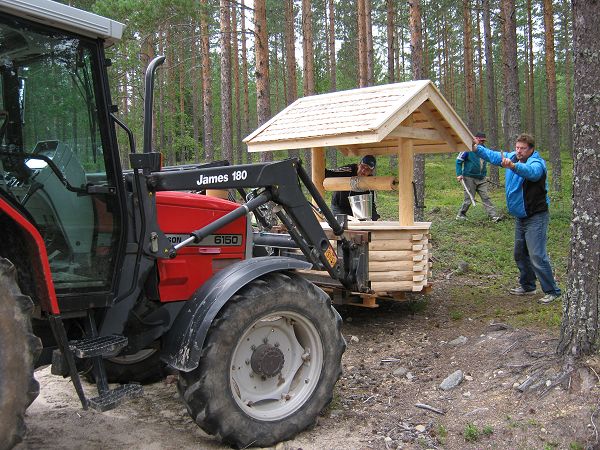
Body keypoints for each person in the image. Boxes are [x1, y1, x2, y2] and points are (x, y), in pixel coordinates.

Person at [472, 133, 561, 304]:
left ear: (531, 149)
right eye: (517, 147)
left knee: (537, 255)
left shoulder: (536, 163)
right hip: (521, 217)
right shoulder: (512, 157)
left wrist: (513, 166)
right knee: (520, 253)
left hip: (536, 216)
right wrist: (476, 148)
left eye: (523, 149)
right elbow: (492, 155)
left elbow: (532, 173)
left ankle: (553, 291)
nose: (518, 151)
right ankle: (528, 286)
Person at [456, 132, 501, 222]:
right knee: (469, 198)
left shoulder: (484, 149)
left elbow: (488, 160)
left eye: (483, 141)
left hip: (482, 178)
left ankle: (493, 216)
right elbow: (458, 161)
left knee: (486, 197)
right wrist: (459, 174)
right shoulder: (467, 148)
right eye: (480, 140)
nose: (482, 142)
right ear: (475, 139)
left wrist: (484, 174)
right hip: (469, 177)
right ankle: (461, 214)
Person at [325, 155, 380, 221]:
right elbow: (329, 173)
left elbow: (370, 203)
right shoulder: (348, 169)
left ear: (371, 171)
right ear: (358, 165)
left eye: (367, 169)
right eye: (362, 166)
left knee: (362, 225)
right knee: (342, 225)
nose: (363, 170)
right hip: (339, 205)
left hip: (356, 207)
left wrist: (374, 219)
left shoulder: (370, 180)